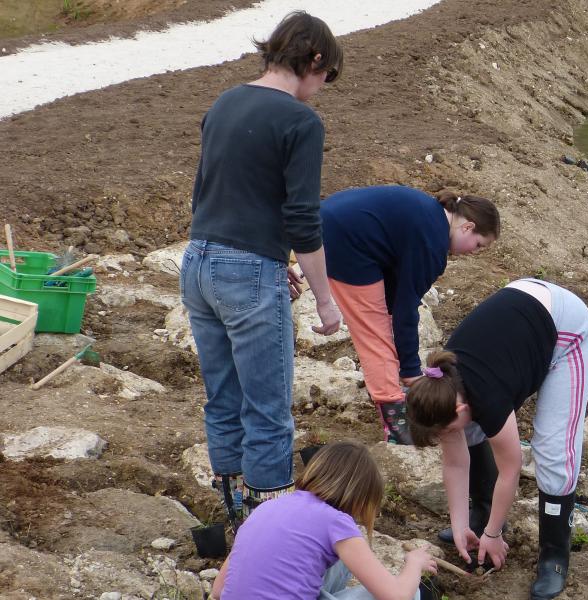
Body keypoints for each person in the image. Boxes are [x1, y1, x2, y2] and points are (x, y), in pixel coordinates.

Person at [181, 11, 344, 522]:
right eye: (327, 75)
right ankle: (269, 524)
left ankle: (234, 512)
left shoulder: (225, 101)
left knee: (223, 397)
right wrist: (324, 297)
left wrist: (271, 258)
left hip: (199, 261)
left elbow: (211, 190)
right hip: (246, 271)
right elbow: (302, 217)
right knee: (269, 409)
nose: (323, 86)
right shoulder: (300, 121)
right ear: (314, 59)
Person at [405, 279, 588, 600]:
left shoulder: (487, 397)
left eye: (445, 431)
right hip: (521, 315)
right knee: (466, 432)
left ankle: (554, 555)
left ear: (461, 406)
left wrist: (494, 535)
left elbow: (511, 469)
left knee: (552, 450)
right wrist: (458, 524)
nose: (447, 439)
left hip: (567, 328)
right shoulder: (443, 387)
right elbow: (454, 462)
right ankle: (479, 515)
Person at [321, 186, 499, 445]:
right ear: (467, 227)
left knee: (383, 319)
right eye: (479, 245)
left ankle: (391, 389)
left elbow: (397, 291)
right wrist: (411, 371)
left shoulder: (432, 219)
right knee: (374, 332)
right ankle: (394, 416)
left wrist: (404, 354)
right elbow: (406, 309)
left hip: (337, 223)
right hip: (344, 241)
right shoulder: (432, 243)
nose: (475, 252)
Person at [210, 441, 438, 600]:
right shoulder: (336, 522)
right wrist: (414, 563)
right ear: (361, 497)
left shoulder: (266, 508)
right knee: (412, 593)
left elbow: (219, 590)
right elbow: (396, 596)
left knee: (339, 562)